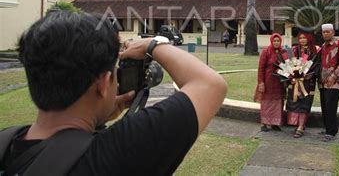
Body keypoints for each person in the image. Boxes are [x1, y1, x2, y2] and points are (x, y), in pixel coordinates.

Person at [0, 11, 227, 175]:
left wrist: (96, 119)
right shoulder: (121, 150)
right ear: (104, 82)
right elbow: (210, 85)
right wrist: (153, 45)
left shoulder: (5, 142)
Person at [286, 32, 320, 138]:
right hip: (295, 81)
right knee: (295, 102)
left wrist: (312, 74)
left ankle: (301, 126)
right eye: (300, 38)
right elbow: (288, 64)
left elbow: (318, 64)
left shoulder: (315, 50)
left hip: (308, 82)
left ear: (309, 38)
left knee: (305, 103)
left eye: (304, 37)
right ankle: (296, 123)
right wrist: (290, 76)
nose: (302, 40)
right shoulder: (293, 50)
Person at [318, 23, 339, 142]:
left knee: (331, 106)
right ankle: (329, 128)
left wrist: (334, 76)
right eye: (324, 32)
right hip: (322, 82)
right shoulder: (323, 46)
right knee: (325, 107)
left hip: (335, 82)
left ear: (333, 32)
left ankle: (331, 132)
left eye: (328, 32)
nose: (326, 34)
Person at [253, 33, 287, 132]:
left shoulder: (283, 52)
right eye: (274, 41)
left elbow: (287, 66)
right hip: (268, 81)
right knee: (266, 102)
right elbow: (261, 68)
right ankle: (264, 123)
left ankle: (274, 123)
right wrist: (261, 82)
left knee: (277, 102)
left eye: (278, 41)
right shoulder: (266, 51)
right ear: (271, 41)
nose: (276, 43)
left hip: (279, 82)